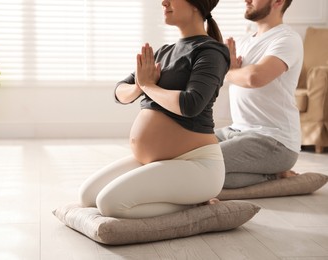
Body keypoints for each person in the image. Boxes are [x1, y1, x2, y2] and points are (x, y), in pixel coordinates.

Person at [79, 0, 230, 219]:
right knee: (87, 196)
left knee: (110, 204)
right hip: (155, 161)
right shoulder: (163, 52)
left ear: (196, 4)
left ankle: (196, 204)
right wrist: (140, 86)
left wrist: (149, 86)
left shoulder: (211, 52)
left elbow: (191, 104)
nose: (163, 2)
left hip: (196, 165)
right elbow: (119, 91)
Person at [215, 0, 303, 189]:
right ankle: (271, 172)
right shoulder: (243, 40)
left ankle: (272, 175)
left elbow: (255, 77)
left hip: (274, 141)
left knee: (202, 166)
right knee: (185, 153)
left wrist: (229, 71)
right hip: (235, 131)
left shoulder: (287, 39)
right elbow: (223, 77)